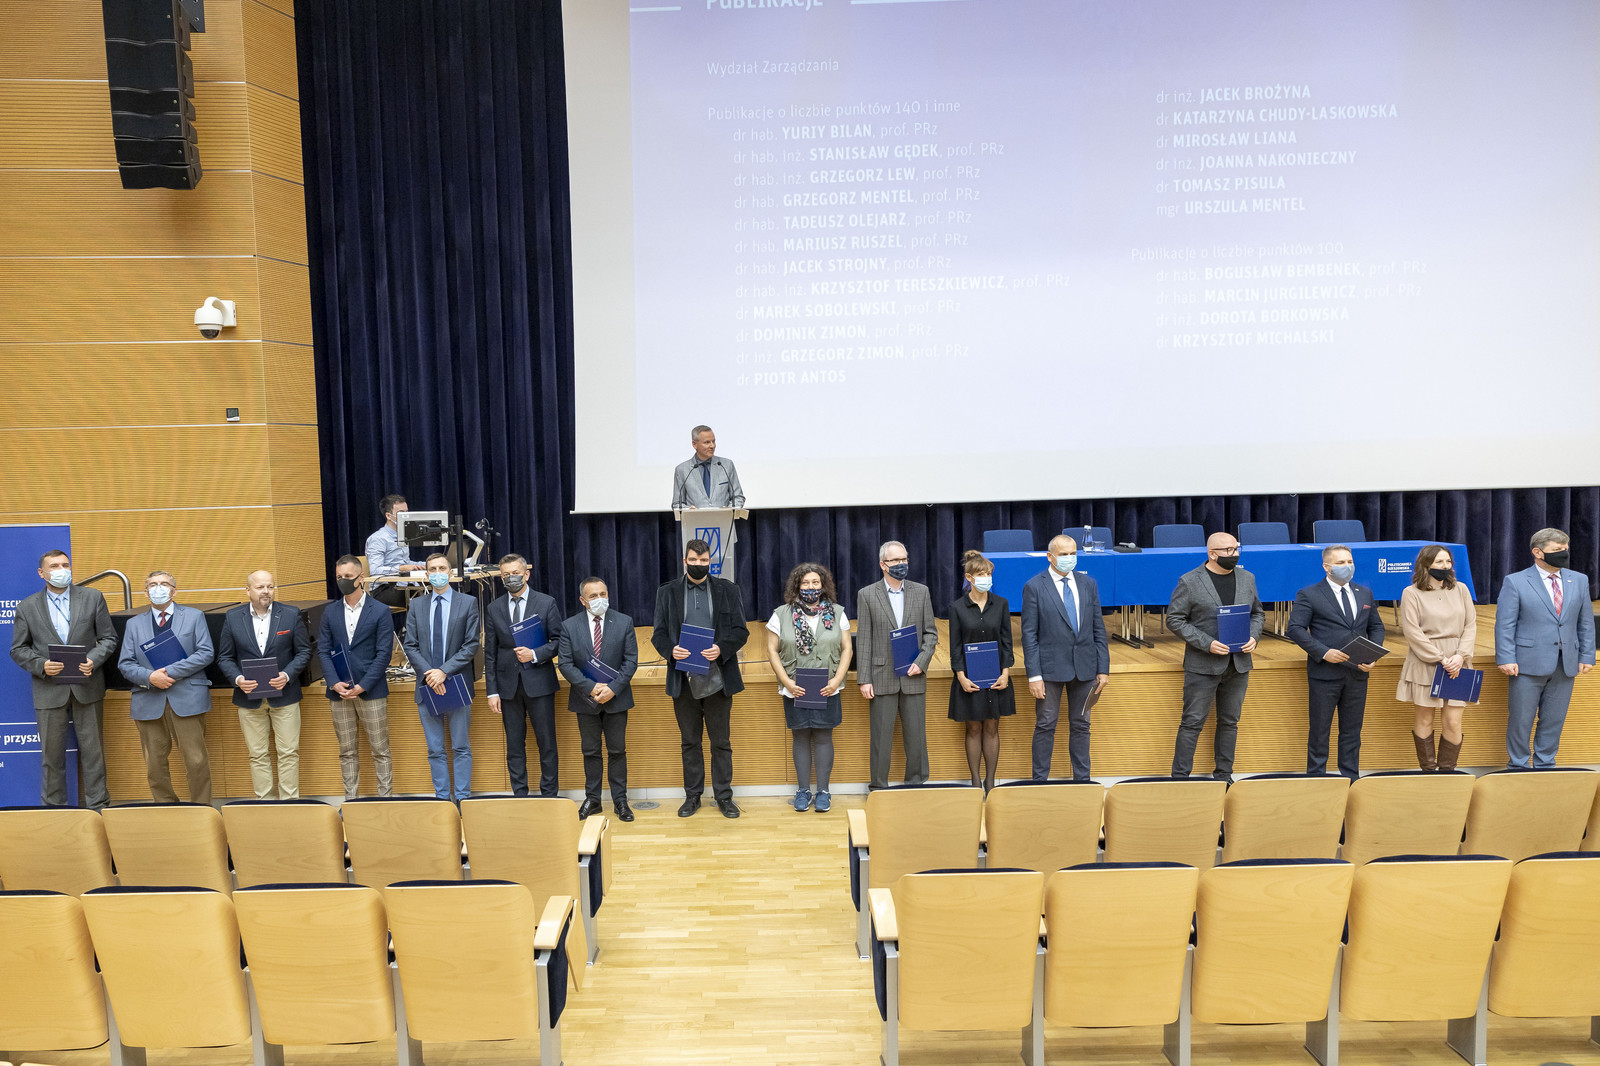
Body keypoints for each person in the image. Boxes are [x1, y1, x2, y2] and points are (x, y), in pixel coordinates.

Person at [8, 549, 118, 809]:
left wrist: (93, 660)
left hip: (88, 686)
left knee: (93, 753)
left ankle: (99, 809)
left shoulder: (92, 598)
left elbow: (109, 638)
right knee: (51, 756)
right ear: (41, 573)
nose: (62, 570)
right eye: (55, 566)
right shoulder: (27, 606)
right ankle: (54, 810)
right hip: (48, 689)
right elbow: (18, 649)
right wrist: (42, 665)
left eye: (65, 565)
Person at [652, 538, 750, 818]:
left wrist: (722, 648)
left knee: (721, 742)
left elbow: (741, 631)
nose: (698, 564)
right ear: (685, 561)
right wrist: (671, 650)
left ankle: (724, 797)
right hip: (683, 679)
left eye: (704, 560)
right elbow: (658, 634)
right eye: (693, 560)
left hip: (719, 678)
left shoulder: (728, 590)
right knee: (690, 742)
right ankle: (692, 796)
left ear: (710, 562)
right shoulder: (667, 591)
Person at [1167, 532, 1264, 781]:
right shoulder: (1190, 581)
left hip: (1239, 664)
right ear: (1212, 554)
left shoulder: (1247, 578)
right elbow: (1175, 619)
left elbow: (1257, 613)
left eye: (1236, 549)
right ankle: (1180, 779)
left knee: (1229, 722)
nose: (1234, 554)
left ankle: (1224, 776)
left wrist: (1254, 636)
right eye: (1228, 551)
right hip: (1203, 665)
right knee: (1192, 723)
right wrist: (1207, 643)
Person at [1495, 528, 1595, 768]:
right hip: (1527, 663)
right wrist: (1505, 657)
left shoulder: (1579, 580)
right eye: (1557, 550)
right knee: (1521, 720)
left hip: (1566, 662)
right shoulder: (1516, 581)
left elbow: (1585, 622)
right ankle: (1518, 766)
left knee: (1553, 720)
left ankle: (1545, 765)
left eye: (1565, 549)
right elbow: (1505, 624)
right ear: (1537, 552)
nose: (1564, 553)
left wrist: (1587, 655)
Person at [116, 570, 216, 803]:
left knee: (196, 760)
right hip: (148, 699)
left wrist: (168, 672)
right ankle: (165, 806)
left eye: (163, 584)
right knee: (154, 762)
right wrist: (150, 677)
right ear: (145, 592)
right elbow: (125, 664)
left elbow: (205, 653)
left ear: (174, 590)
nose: (158, 588)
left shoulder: (194, 616)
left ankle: (201, 808)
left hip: (187, 697)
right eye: (152, 584)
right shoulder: (133, 624)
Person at [1286, 545, 1384, 779]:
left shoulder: (1364, 593)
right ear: (1326, 567)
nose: (1347, 567)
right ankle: (1316, 778)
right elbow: (1295, 629)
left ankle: (1350, 778)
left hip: (1357, 673)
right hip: (1325, 674)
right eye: (1340, 563)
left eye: (1349, 562)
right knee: (1320, 731)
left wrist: (1373, 654)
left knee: (1352, 731)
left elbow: (1376, 626)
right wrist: (1323, 652)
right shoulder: (1309, 594)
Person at [216, 570, 313, 799]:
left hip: (285, 696)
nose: (266, 591)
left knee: (288, 753)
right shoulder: (233, 617)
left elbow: (304, 651)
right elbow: (225, 657)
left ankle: (289, 803)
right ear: (247, 590)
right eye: (260, 587)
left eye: (270, 586)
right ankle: (265, 803)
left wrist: (287, 675)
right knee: (257, 755)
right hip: (249, 698)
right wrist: (238, 679)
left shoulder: (290, 614)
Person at [766, 562, 853, 812]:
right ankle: (803, 791)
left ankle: (823, 791)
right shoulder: (781, 614)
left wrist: (837, 680)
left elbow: (847, 648)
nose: (810, 587)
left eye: (815, 582)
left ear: (823, 585)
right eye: (805, 583)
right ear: (797, 586)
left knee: (824, 736)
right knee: (801, 736)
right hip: (795, 686)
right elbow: (771, 650)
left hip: (827, 686)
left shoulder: (838, 612)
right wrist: (787, 682)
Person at [1019, 537, 1109, 782]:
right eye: (1064, 554)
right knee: (1046, 724)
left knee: (1081, 725)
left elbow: (1098, 628)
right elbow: (1029, 635)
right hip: (1049, 670)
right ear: (1050, 557)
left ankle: (1083, 782)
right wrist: (1034, 675)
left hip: (1085, 667)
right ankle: (1040, 782)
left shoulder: (1088, 583)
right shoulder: (1034, 586)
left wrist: (1103, 668)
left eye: (1073, 553)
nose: (1070, 558)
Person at [856, 540, 939, 790]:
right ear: (883, 565)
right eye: (896, 560)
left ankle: (916, 785)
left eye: (904, 559)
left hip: (913, 675)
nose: (902, 564)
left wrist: (922, 662)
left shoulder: (921, 592)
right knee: (881, 739)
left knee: (916, 737)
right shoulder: (867, 594)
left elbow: (931, 634)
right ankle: (878, 788)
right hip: (882, 676)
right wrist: (864, 679)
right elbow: (864, 639)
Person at [557, 578, 638, 820]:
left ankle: (620, 801)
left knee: (617, 750)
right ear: (583, 600)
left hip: (616, 698)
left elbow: (631, 661)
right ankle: (593, 800)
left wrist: (613, 688)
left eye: (603, 594)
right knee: (590, 751)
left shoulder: (624, 622)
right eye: (593, 596)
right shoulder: (569, 626)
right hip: (586, 700)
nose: (599, 599)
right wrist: (591, 688)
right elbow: (565, 664)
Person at [402, 553, 480, 801]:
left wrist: (443, 671)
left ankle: (463, 799)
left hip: (456, 683)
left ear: (450, 572)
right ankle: (442, 800)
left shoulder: (467, 603)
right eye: (432, 569)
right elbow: (410, 645)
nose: (437, 573)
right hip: (427, 685)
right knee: (435, 749)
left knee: (461, 747)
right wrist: (431, 675)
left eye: (442, 568)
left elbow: (471, 645)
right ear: (426, 575)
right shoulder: (417, 605)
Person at [483, 553, 562, 797]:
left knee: (547, 743)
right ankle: (520, 796)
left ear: (526, 574)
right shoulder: (494, 608)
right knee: (514, 746)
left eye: (515, 573)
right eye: (505, 575)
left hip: (539, 682)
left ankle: (549, 796)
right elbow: (490, 653)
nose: (511, 578)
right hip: (508, 687)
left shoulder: (546, 603)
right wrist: (492, 691)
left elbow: (559, 641)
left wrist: (535, 654)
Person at [318, 555, 396, 799]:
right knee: (347, 751)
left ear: (361, 577)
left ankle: (385, 801)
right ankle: (350, 801)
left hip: (371, 690)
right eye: (339, 577)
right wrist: (334, 683)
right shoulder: (330, 612)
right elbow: (323, 650)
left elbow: (384, 654)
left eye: (348, 577)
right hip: (339, 692)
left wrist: (363, 685)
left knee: (380, 750)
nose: (342, 581)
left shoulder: (381, 611)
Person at [1396, 544, 1476, 771]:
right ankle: (1429, 772)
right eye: (1439, 562)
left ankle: (1447, 772)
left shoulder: (1461, 589)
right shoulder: (1411, 593)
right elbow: (1412, 631)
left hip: (1458, 662)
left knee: (1453, 721)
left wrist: (1460, 656)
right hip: (1427, 661)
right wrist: (1440, 658)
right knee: (1425, 719)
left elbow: (1470, 625)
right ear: (1426, 564)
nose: (1445, 566)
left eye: (1448, 561)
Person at [948, 551, 1017, 791]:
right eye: (981, 574)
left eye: (988, 574)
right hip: (969, 678)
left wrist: (1005, 673)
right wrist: (961, 677)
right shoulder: (957, 607)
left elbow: (1007, 642)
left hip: (997, 676)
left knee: (991, 727)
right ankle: (975, 781)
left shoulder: (1001, 604)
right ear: (969, 577)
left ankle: (990, 781)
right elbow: (955, 646)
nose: (986, 578)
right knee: (974, 727)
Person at [365, 493, 425, 607]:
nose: (406, 516)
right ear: (389, 516)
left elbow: (406, 563)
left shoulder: (403, 535)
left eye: (407, 512)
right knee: (422, 598)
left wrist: (427, 564)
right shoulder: (378, 539)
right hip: (383, 589)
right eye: (401, 513)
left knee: (436, 590)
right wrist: (401, 568)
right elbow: (375, 570)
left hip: (403, 584)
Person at [671, 425, 746, 509]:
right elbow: (677, 504)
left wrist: (729, 509)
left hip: (723, 517)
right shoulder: (682, 470)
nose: (712, 446)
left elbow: (738, 497)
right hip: (695, 518)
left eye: (713, 441)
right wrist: (688, 510)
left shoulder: (726, 465)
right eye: (707, 442)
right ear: (694, 444)